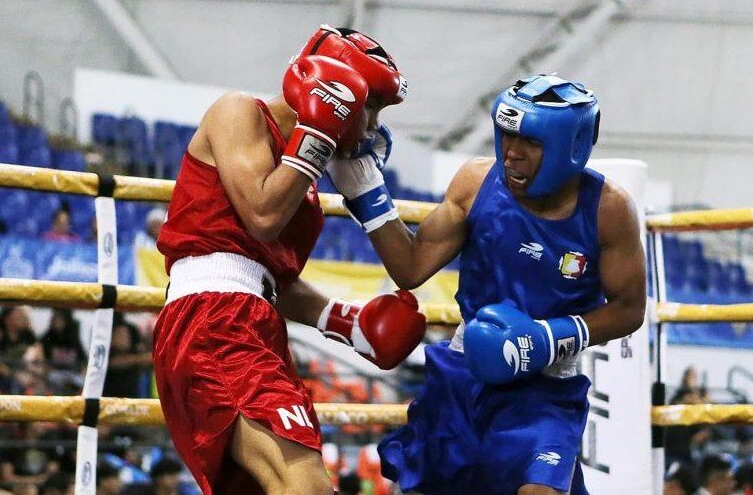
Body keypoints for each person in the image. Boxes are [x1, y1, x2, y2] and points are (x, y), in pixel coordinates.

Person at [327, 74, 646, 494]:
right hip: (464, 374)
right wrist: (365, 188)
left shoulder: (608, 209)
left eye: (529, 141)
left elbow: (629, 309)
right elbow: (410, 267)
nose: (511, 153)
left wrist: (549, 338)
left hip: (546, 389)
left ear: (571, 145)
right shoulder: (477, 182)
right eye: (506, 134)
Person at [152, 24, 424, 495]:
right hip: (214, 324)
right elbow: (261, 216)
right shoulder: (238, 113)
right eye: (372, 107)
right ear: (337, 89)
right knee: (306, 487)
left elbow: (268, 277)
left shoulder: (304, 175)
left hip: (253, 323)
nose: (374, 127)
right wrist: (316, 136)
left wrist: (348, 325)